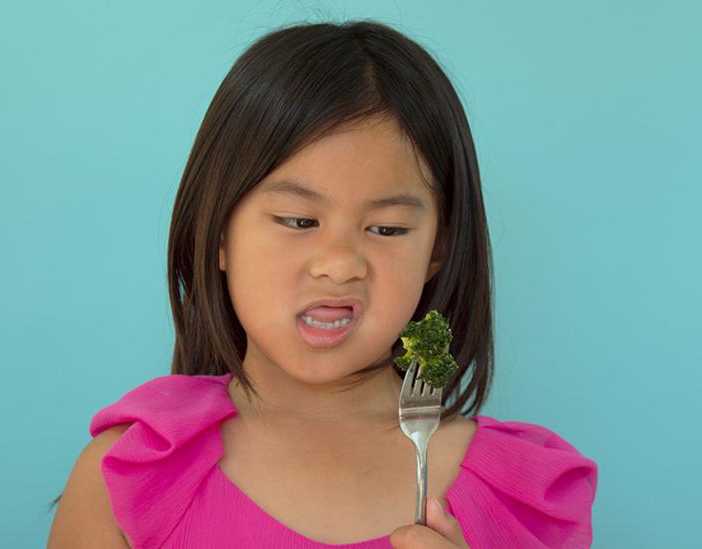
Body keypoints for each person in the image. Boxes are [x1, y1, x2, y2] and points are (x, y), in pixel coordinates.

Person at [47, 19, 598, 549]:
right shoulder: (129, 474)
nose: (339, 264)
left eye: (387, 228)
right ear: (216, 234)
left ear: (439, 251)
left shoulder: (521, 498)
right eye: (297, 221)